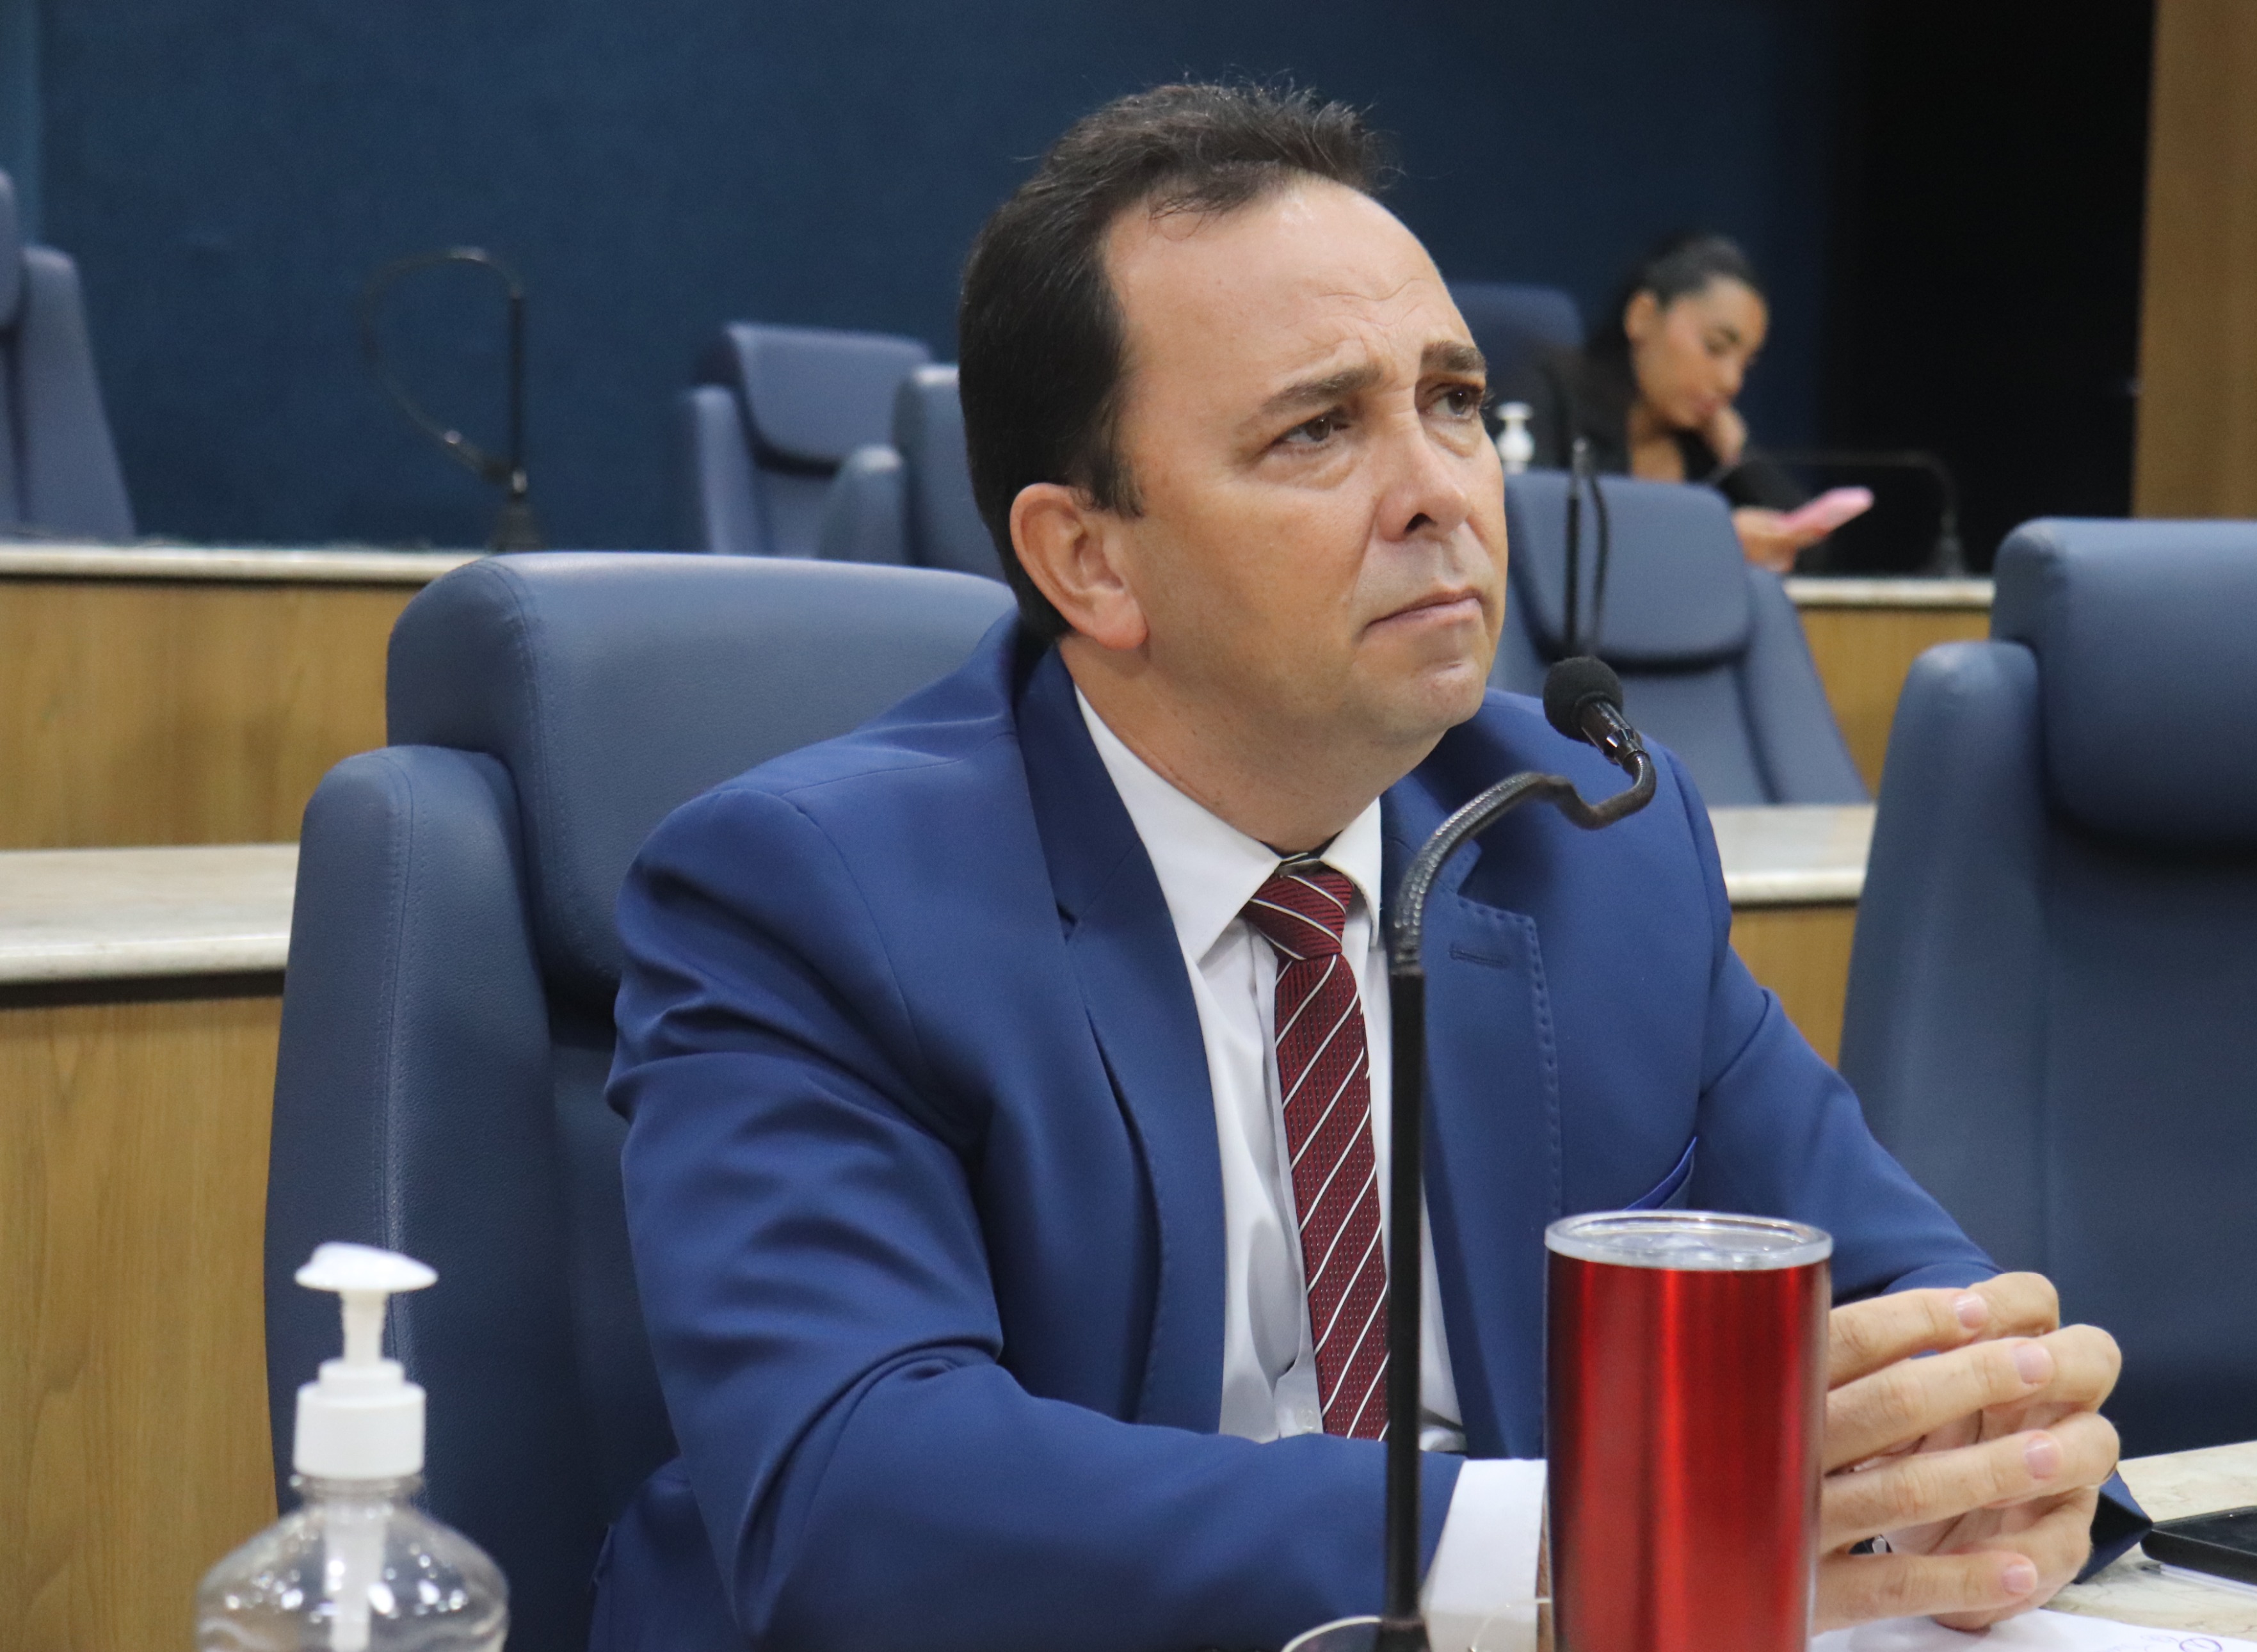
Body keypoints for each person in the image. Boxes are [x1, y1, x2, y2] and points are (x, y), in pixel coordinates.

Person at [591, 84, 2128, 1652]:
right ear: (1089, 559)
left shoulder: (1583, 836)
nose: (1440, 491)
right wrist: (1564, 1545)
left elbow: (1887, 1285)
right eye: (1318, 429)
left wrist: (1990, 1451)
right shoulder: (813, 894)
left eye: (1454, 402)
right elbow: (856, 1493)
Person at [1534, 233, 1829, 573]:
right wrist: (1710, 540)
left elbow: (1808, 552)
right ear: (1642, 316)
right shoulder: (1551, 392)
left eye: (1746, 364)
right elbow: (1542, 536)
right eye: (1715, 347)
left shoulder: (1703, 442)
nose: (1731, 382)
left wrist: (1740, 456)